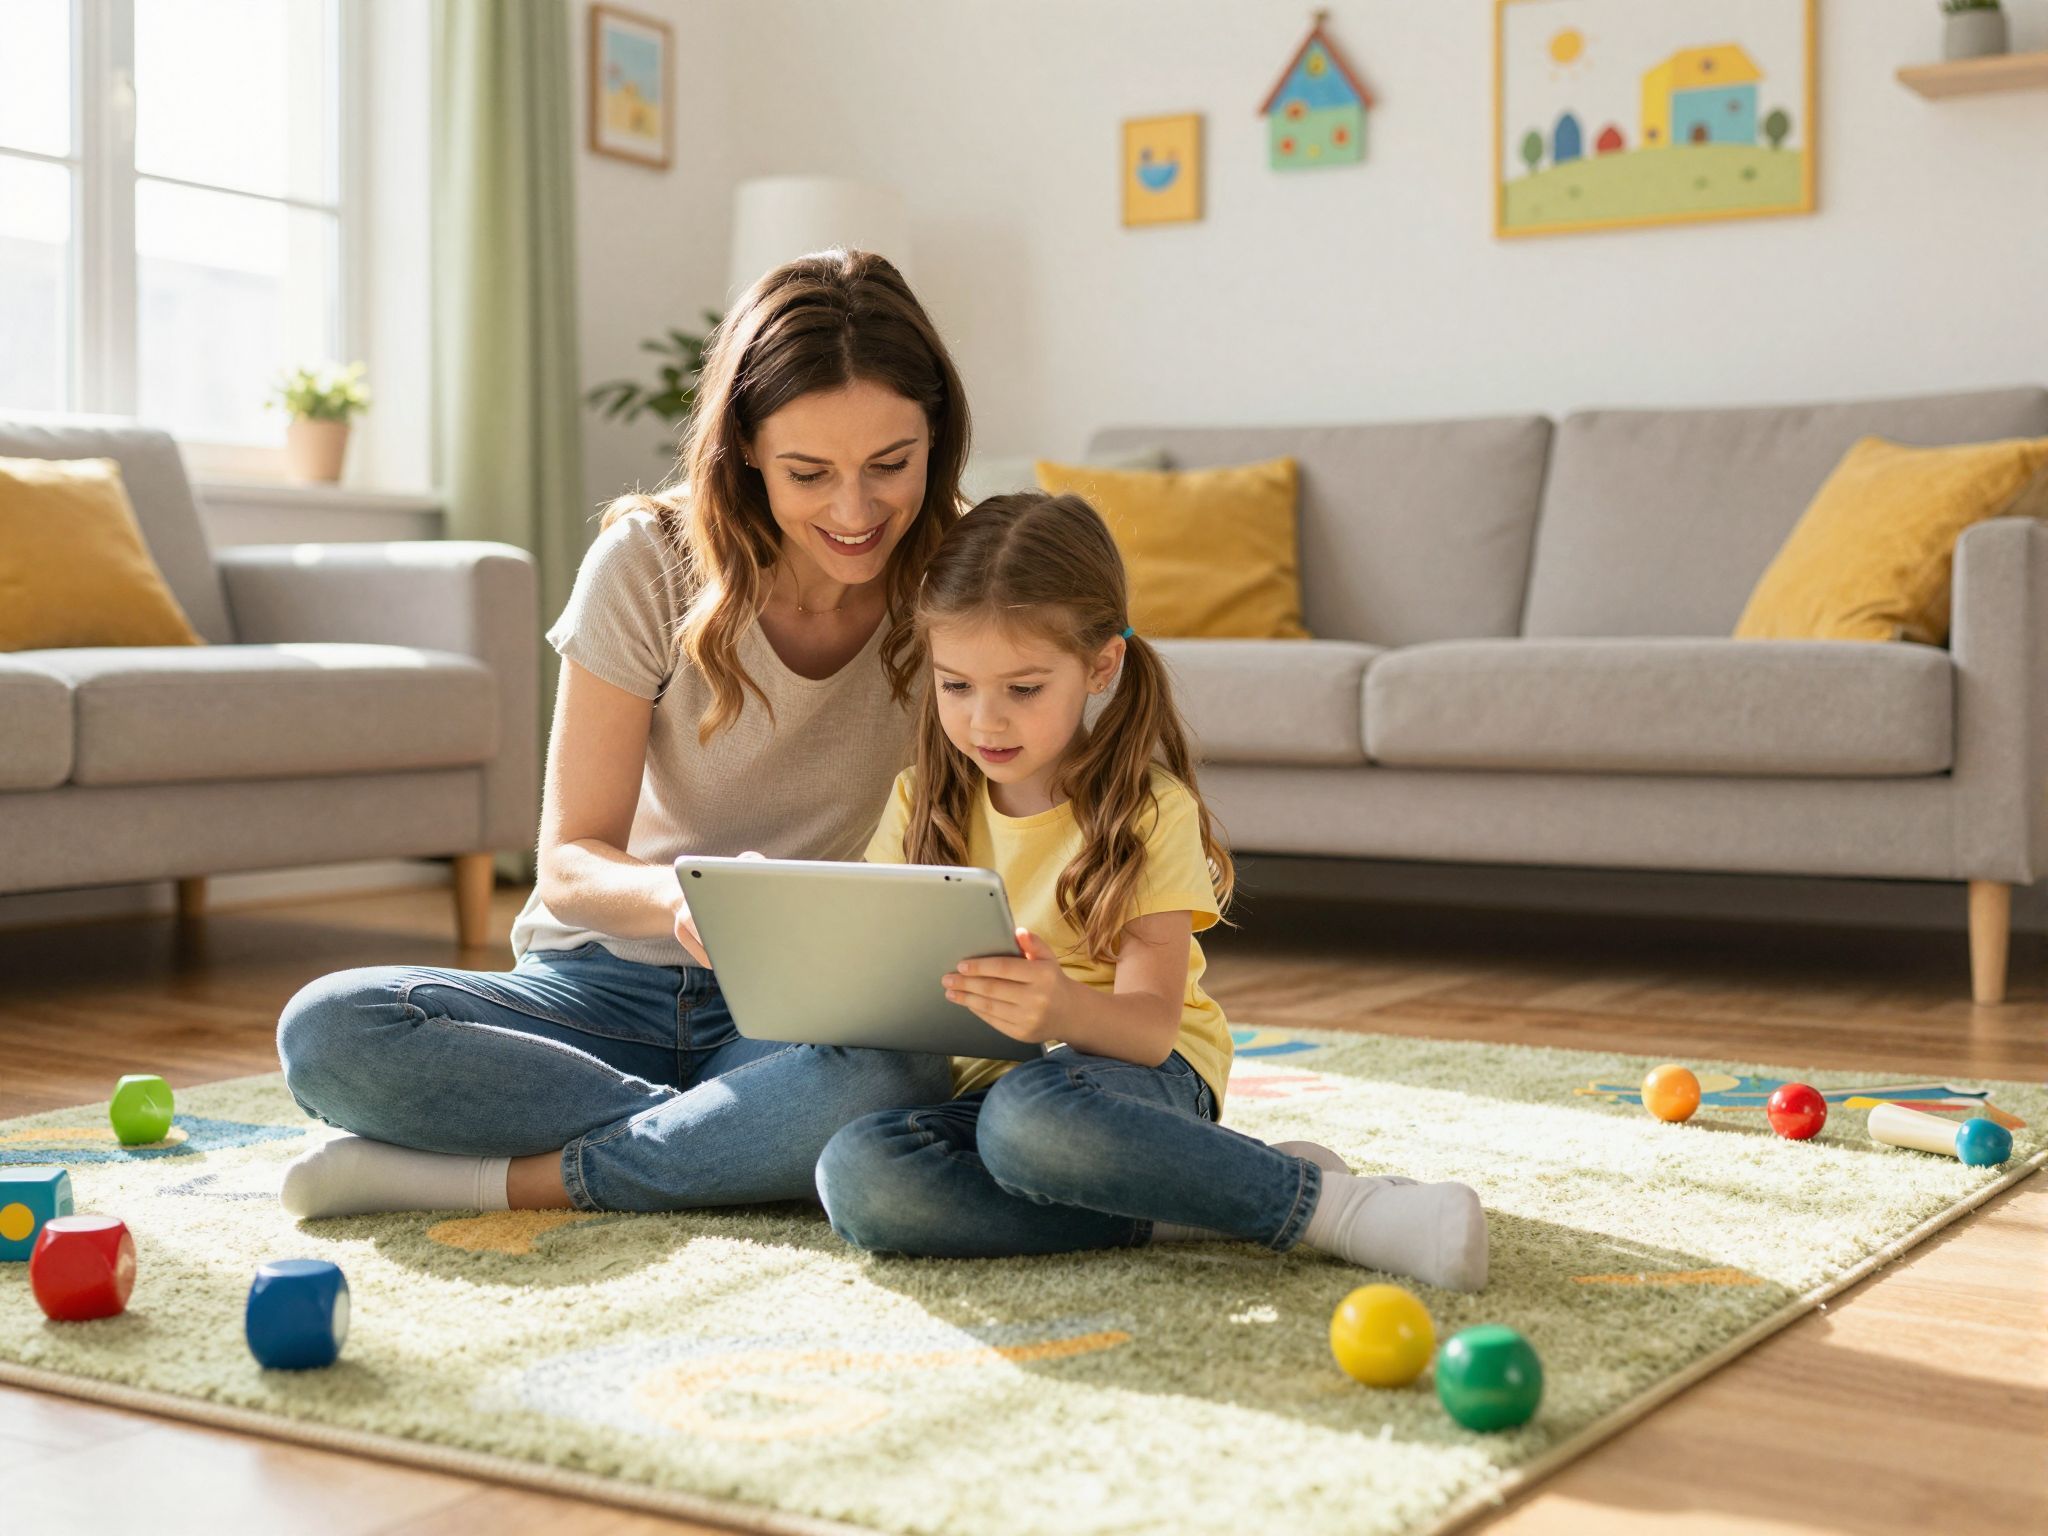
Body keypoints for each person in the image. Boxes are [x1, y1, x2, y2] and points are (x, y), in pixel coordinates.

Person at [274, 250, 965, 1218]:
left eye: (890, 465)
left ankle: (520, 1176)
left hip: (798, 1011)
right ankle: (723, 1140)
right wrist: (686, 901)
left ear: (936, 435)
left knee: (895, 1076)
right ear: (746, 448)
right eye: (809, 473)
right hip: (598, 986)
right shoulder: (649, 560)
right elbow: (568, 863)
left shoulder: (964, 579)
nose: (856, 511)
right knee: (330, 1030)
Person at [814, 494, 1488, 1291]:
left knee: (1029, 1118)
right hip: (992, 1093)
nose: (984, 721)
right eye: (956, 685)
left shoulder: (1147, 810)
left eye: (1023, 690)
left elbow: (1151, 1031)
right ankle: (1198, 1201)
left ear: (1101, 667)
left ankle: (1333, 1208)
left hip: (1138, 1080)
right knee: (860, 1170)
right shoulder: (917, 801)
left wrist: (1062, 1011)